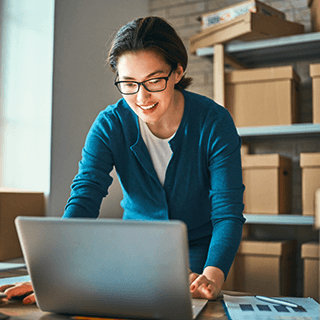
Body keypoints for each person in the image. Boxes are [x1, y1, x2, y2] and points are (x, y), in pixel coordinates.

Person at [0, 16, 245, 304]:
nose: (141, 97)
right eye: (129, 83)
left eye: (154, 80)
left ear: (178, 71)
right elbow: (85, 196)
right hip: (133, 253)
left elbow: (227, 212)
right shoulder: (110, 125)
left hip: (199, 251)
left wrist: (213, 275)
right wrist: (52, 272)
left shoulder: (214, 122)